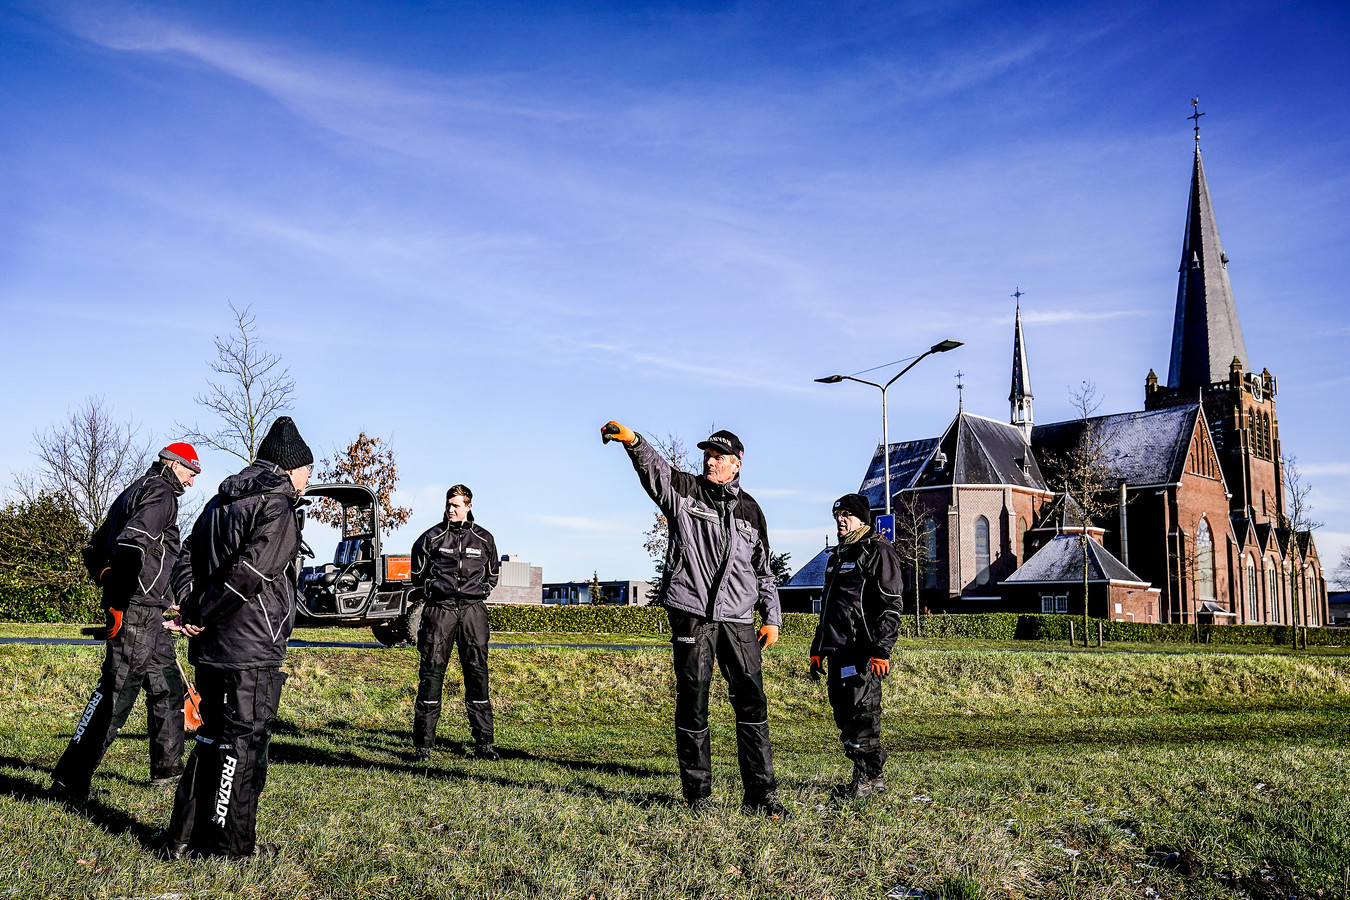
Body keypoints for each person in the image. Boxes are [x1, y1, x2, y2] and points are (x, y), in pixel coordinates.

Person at [602, 422, 786, 818]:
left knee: (752, 705)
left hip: (738, 620)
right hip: (693, 616)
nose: (710, 460)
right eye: (707, 454)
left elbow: (764, 570)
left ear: (736, 465)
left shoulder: (752, 510)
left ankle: (760, 794)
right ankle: (697, 795)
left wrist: (772, 617)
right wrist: (633, 442)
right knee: (693, 705)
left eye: (718, 456)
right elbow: (656, 472)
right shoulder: (686, 492)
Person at [161, 417, 311, 860]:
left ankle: (182, 840)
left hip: (211, 645)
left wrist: (192, 608)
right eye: (306, 469)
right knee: (242, 746)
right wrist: (198, 610)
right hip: (250, 647)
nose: (308, 478)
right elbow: (250, 572)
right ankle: (230, 847)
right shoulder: (277, 507)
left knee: (211, 740)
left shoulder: (217, 502)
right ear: (288, 467)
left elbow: (184, 556)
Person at [49, 443, 202, 805]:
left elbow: (95, 549)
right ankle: (68, 783)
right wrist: (120, 599)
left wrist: (178, 595)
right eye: (191, 473)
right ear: (174, 464)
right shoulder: (161, 493)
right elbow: (133, 544)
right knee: (115, 693)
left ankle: (168, 772)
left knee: (166, 686)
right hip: (136, 610)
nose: (192, 483)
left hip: (151, 610)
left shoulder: (134, 490)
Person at [809, 492, 903, 799]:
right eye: (837, 516)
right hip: (837, 650)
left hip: (863, 650)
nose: (840, 520)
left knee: (863, 712)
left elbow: (891, 605)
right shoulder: (838, 556)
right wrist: (817, 648)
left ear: (862, 519)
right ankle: (873, 777)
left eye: (846, 515)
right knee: (844, 713)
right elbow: (829, 608)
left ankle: (864, 779)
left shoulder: (877, 551)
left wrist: (881, 649)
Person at [409, 485, 501, 762]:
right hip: (440, 612)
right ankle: (423, 746)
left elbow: (493, 573)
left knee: (477, 674)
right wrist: (434, 589)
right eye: (448, 504)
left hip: (473, 613)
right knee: (431, 675)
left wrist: (480, 592)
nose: (451, 509)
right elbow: (417, 574)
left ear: (468, 506)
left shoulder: (484, 538)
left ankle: (484, 744)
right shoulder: (431, 538)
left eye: (456, 505)